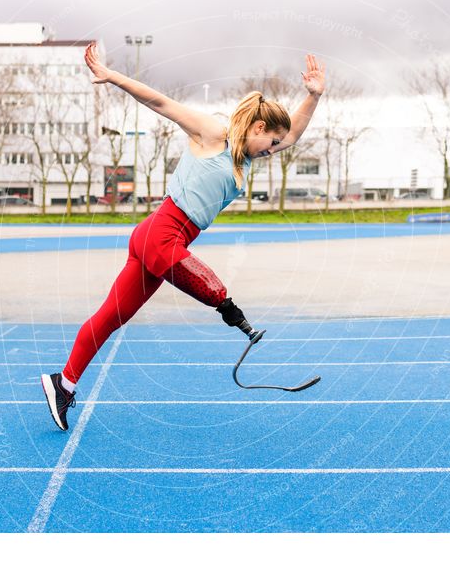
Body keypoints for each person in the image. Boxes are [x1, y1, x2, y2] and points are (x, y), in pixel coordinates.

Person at [41, 43, 326, 431]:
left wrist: (312, 96)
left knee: (113, 316)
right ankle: (235, 317)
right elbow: (160, 102)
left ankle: (64, 383)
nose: (275, 150)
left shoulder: (243, 157)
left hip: (161, 238)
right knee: (211, 290)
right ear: (259, 128)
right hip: (163, 234)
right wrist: (111, 77)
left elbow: (291, 135)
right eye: (271, 142)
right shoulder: (214, 134)